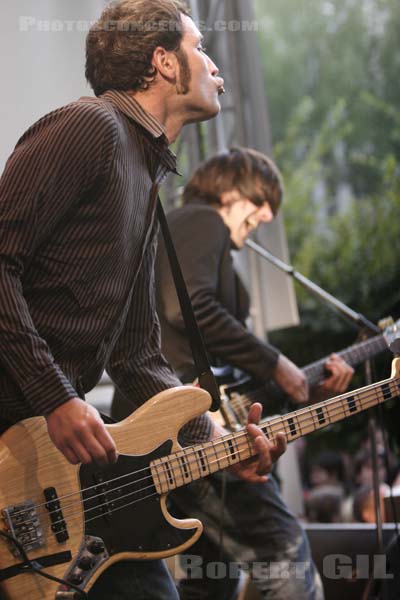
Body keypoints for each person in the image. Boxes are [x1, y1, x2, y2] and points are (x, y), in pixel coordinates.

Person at [0, 3, 286, 600]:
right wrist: (56, 397)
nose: (217, 69)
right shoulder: (91, 128)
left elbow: (136, 355)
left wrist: (218, 445)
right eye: (200, 49)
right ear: (162, 62)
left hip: (59, 461)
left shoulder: (146, 176)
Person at [112, 147, 354, 599]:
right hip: (185, 420)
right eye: (260, 200)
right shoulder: (203, 220)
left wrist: (307, 386)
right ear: (228, 190)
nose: (266, 215)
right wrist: (276, 363)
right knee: (284, 554)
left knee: (211, 579)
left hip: (169, 422)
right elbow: (189, 307)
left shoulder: (184, 229)